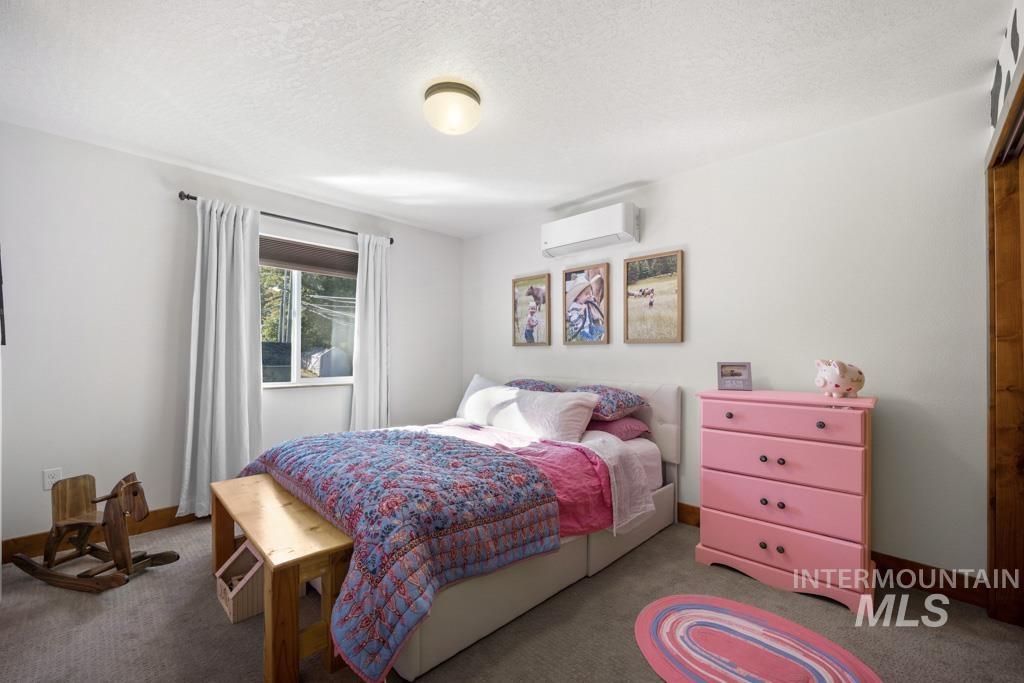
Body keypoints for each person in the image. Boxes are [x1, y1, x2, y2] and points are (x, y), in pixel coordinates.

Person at [565, 273, 606, 342]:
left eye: (590, 293)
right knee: (593, 340)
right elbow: (573, 320)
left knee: (604, 330)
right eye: (587, 294)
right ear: (577, 296)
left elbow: (594, 304)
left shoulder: (586, 302)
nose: (589, 296)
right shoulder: (573, 307)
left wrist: (593, 299)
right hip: (580, 331)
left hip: (590, 327)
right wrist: (581, 312)